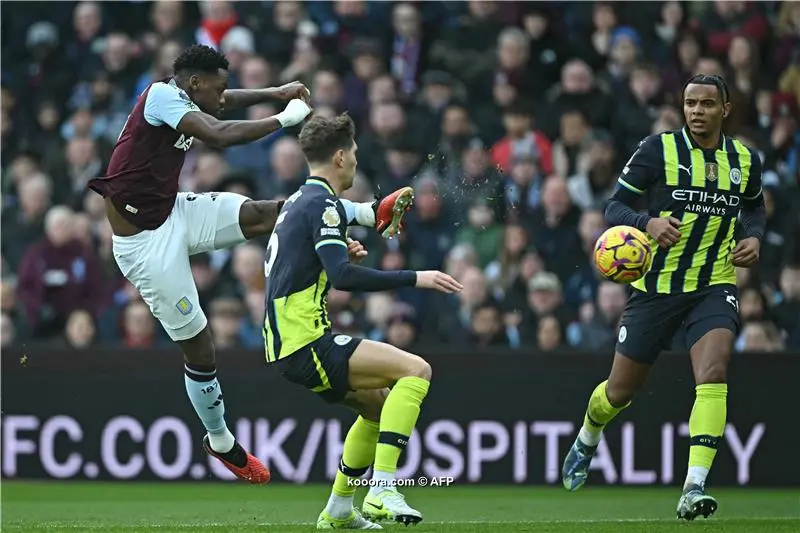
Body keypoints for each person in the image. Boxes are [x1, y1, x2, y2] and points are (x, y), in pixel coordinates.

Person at [87, 45, 412, 485]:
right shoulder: (162, 97)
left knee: (262, 212)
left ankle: (367, 213)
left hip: (171, 211)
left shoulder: (189, 93)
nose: (223, 95)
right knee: (200, 345)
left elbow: (222, 100)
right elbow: (218, 133)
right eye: (216, 86)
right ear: (194, 82)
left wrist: (274, 91)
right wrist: (285, 118)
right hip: (144, 245)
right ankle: (220, 441)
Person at [561, 74, 765, 521]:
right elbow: (615, 206)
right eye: (691, 103)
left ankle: (694, 487)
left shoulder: (746, 159)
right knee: (618, 392)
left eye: (707, 104)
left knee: (713, 372)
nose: (697, 111)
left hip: (714, 283)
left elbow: (754, 208)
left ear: (724, 110)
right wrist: (646, 222)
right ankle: (590, 431)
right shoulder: (658, 149)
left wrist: (754, 237)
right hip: (656, 288)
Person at [262, 114, 462, 530]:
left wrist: (349, 239)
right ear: (339, 157)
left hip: (289, 343)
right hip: (305, 342)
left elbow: (303, 265)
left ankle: (338, 509)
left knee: (377, 405)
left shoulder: (301, 201)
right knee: (417, 370)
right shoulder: (323, 205)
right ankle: (382, 488)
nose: (355, 160)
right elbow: (343, 278)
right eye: (352, 153)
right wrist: (416, 278)